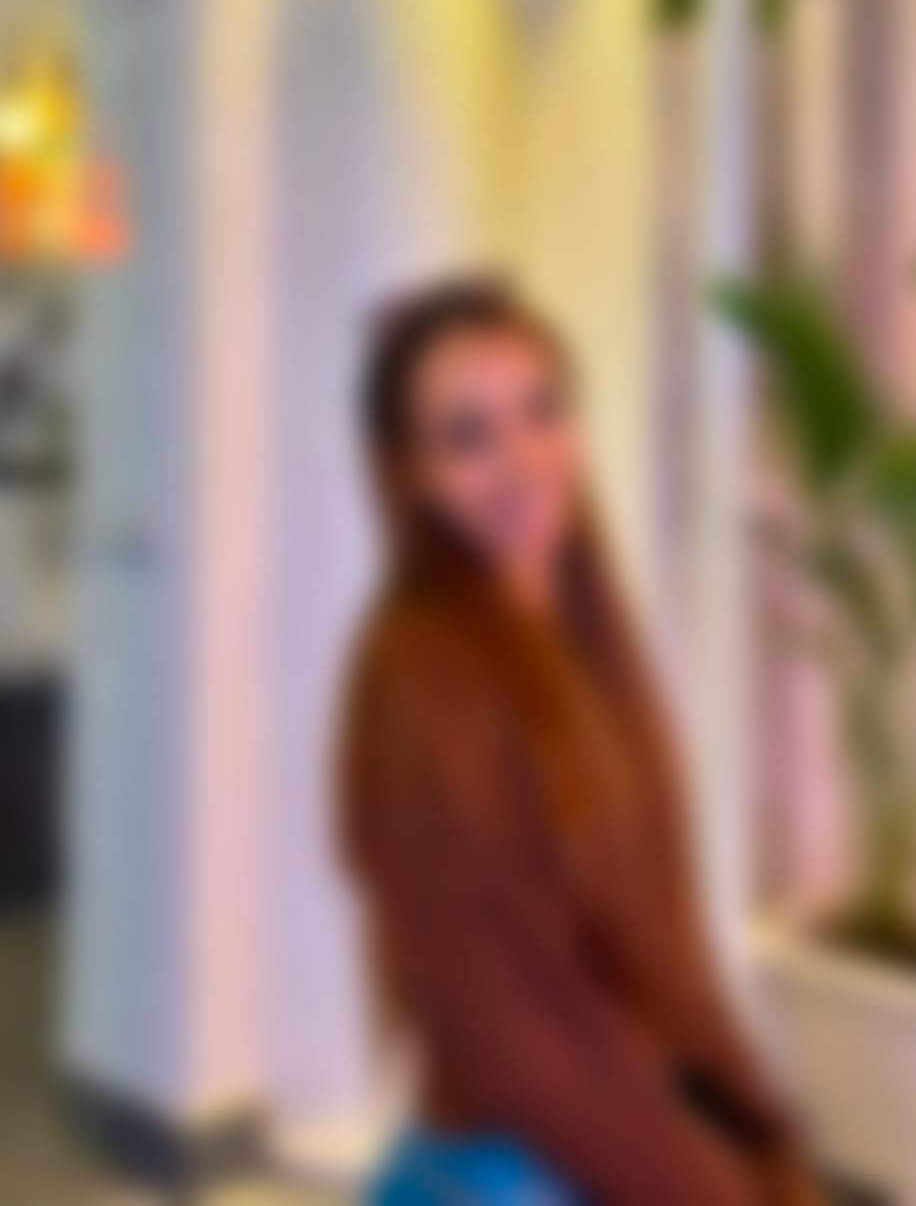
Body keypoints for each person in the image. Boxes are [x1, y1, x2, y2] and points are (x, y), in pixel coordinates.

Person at [336, 278, 824, 1205]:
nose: (522, 458)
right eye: (467, 436)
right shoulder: (422, 684)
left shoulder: (580, 637)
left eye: (541, 410)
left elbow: (660, 949)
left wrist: (761, 1134)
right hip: (508, 1168)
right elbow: (515, 1037)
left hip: (604, 1130)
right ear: (412, 474)